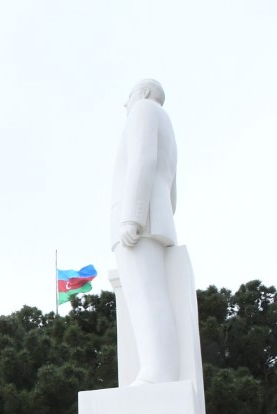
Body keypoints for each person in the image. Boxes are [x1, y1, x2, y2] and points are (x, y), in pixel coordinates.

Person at [111, 78, 181, 385]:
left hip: (140, 219)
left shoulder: (142, 110)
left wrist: (132, 216)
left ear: (142, 93)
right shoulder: (166, 125)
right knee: (150, 294)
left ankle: (157, 371)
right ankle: (157, 368)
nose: (125, 104)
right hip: (157, 214)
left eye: (128, 97)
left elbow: (142, 159)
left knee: (144, 295)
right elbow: (172, 188)